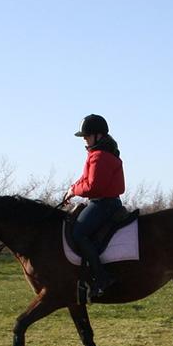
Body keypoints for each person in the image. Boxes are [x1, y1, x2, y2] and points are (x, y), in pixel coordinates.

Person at [63, 114, 125, 298]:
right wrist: (71, 188)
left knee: (79, 233)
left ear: (98, 136)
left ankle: (102, 277)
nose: (84, 139)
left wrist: (75, 191)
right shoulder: (96, 154)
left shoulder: (100, 156)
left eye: (87, 136)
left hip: (103, 203)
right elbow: (85, 179)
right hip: (102, 202)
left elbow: (93, 186)